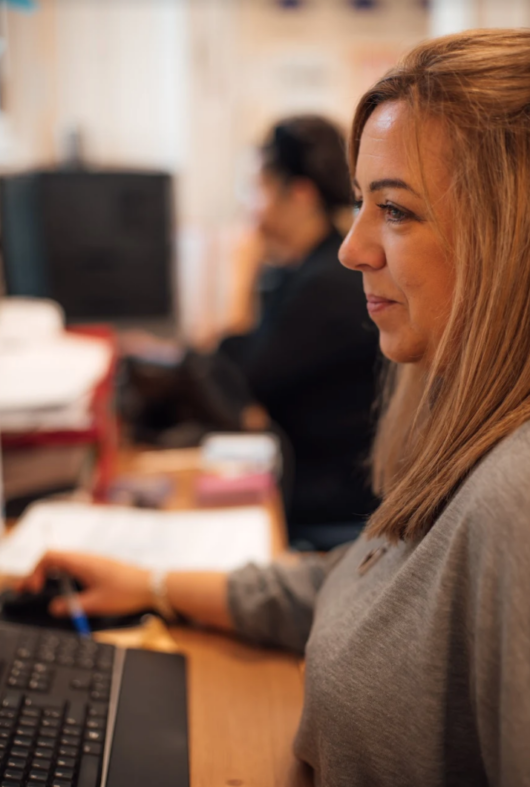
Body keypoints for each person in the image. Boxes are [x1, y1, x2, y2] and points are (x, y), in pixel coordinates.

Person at [19, 28, 530, 787]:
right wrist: (154, 584)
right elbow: (375, 585)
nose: (352, 248)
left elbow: (240, 371)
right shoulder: (463, 431)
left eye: (394, 211)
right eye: (360, 203)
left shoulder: (516, 501)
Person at [126, 115, 380, 549]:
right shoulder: (304, 270)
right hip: (310, 476)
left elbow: (242, 376)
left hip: (329, 498)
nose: (250, 205)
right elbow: (239, 351)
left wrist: (241, 271)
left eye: (258, 187)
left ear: (299, 194)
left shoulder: (327, 283)